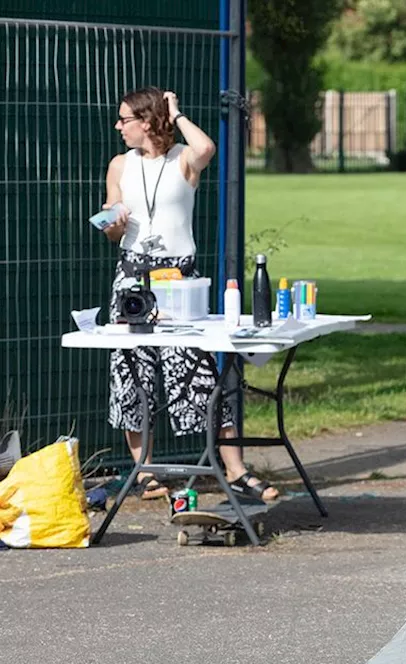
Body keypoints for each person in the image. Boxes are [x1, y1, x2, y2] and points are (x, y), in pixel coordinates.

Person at [100, 87, 279, 503]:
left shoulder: (183, 158)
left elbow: (207, 146)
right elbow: (110, 226)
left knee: (198, 372)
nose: (118, 126)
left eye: (124, 119)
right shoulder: (119, 165)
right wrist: (114, 220)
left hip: (177, 278)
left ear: (146, 121)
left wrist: (175, 112)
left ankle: (234, 470)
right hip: (130, 275)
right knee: (131, 373)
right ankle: (145, 471)